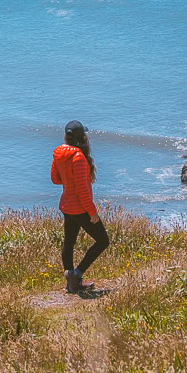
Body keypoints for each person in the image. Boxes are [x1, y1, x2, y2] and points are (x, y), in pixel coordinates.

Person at [50, 120, 109, 294]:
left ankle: (71, 282)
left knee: (68, 242)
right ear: (82, 138)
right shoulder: (79, 159)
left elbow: (55, 179)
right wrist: (93, 213)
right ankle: (77, 274)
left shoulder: (59, 153)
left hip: (66, 205)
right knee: (103, 241)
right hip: (80, 209)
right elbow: (83, 192)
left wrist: (67, 180)